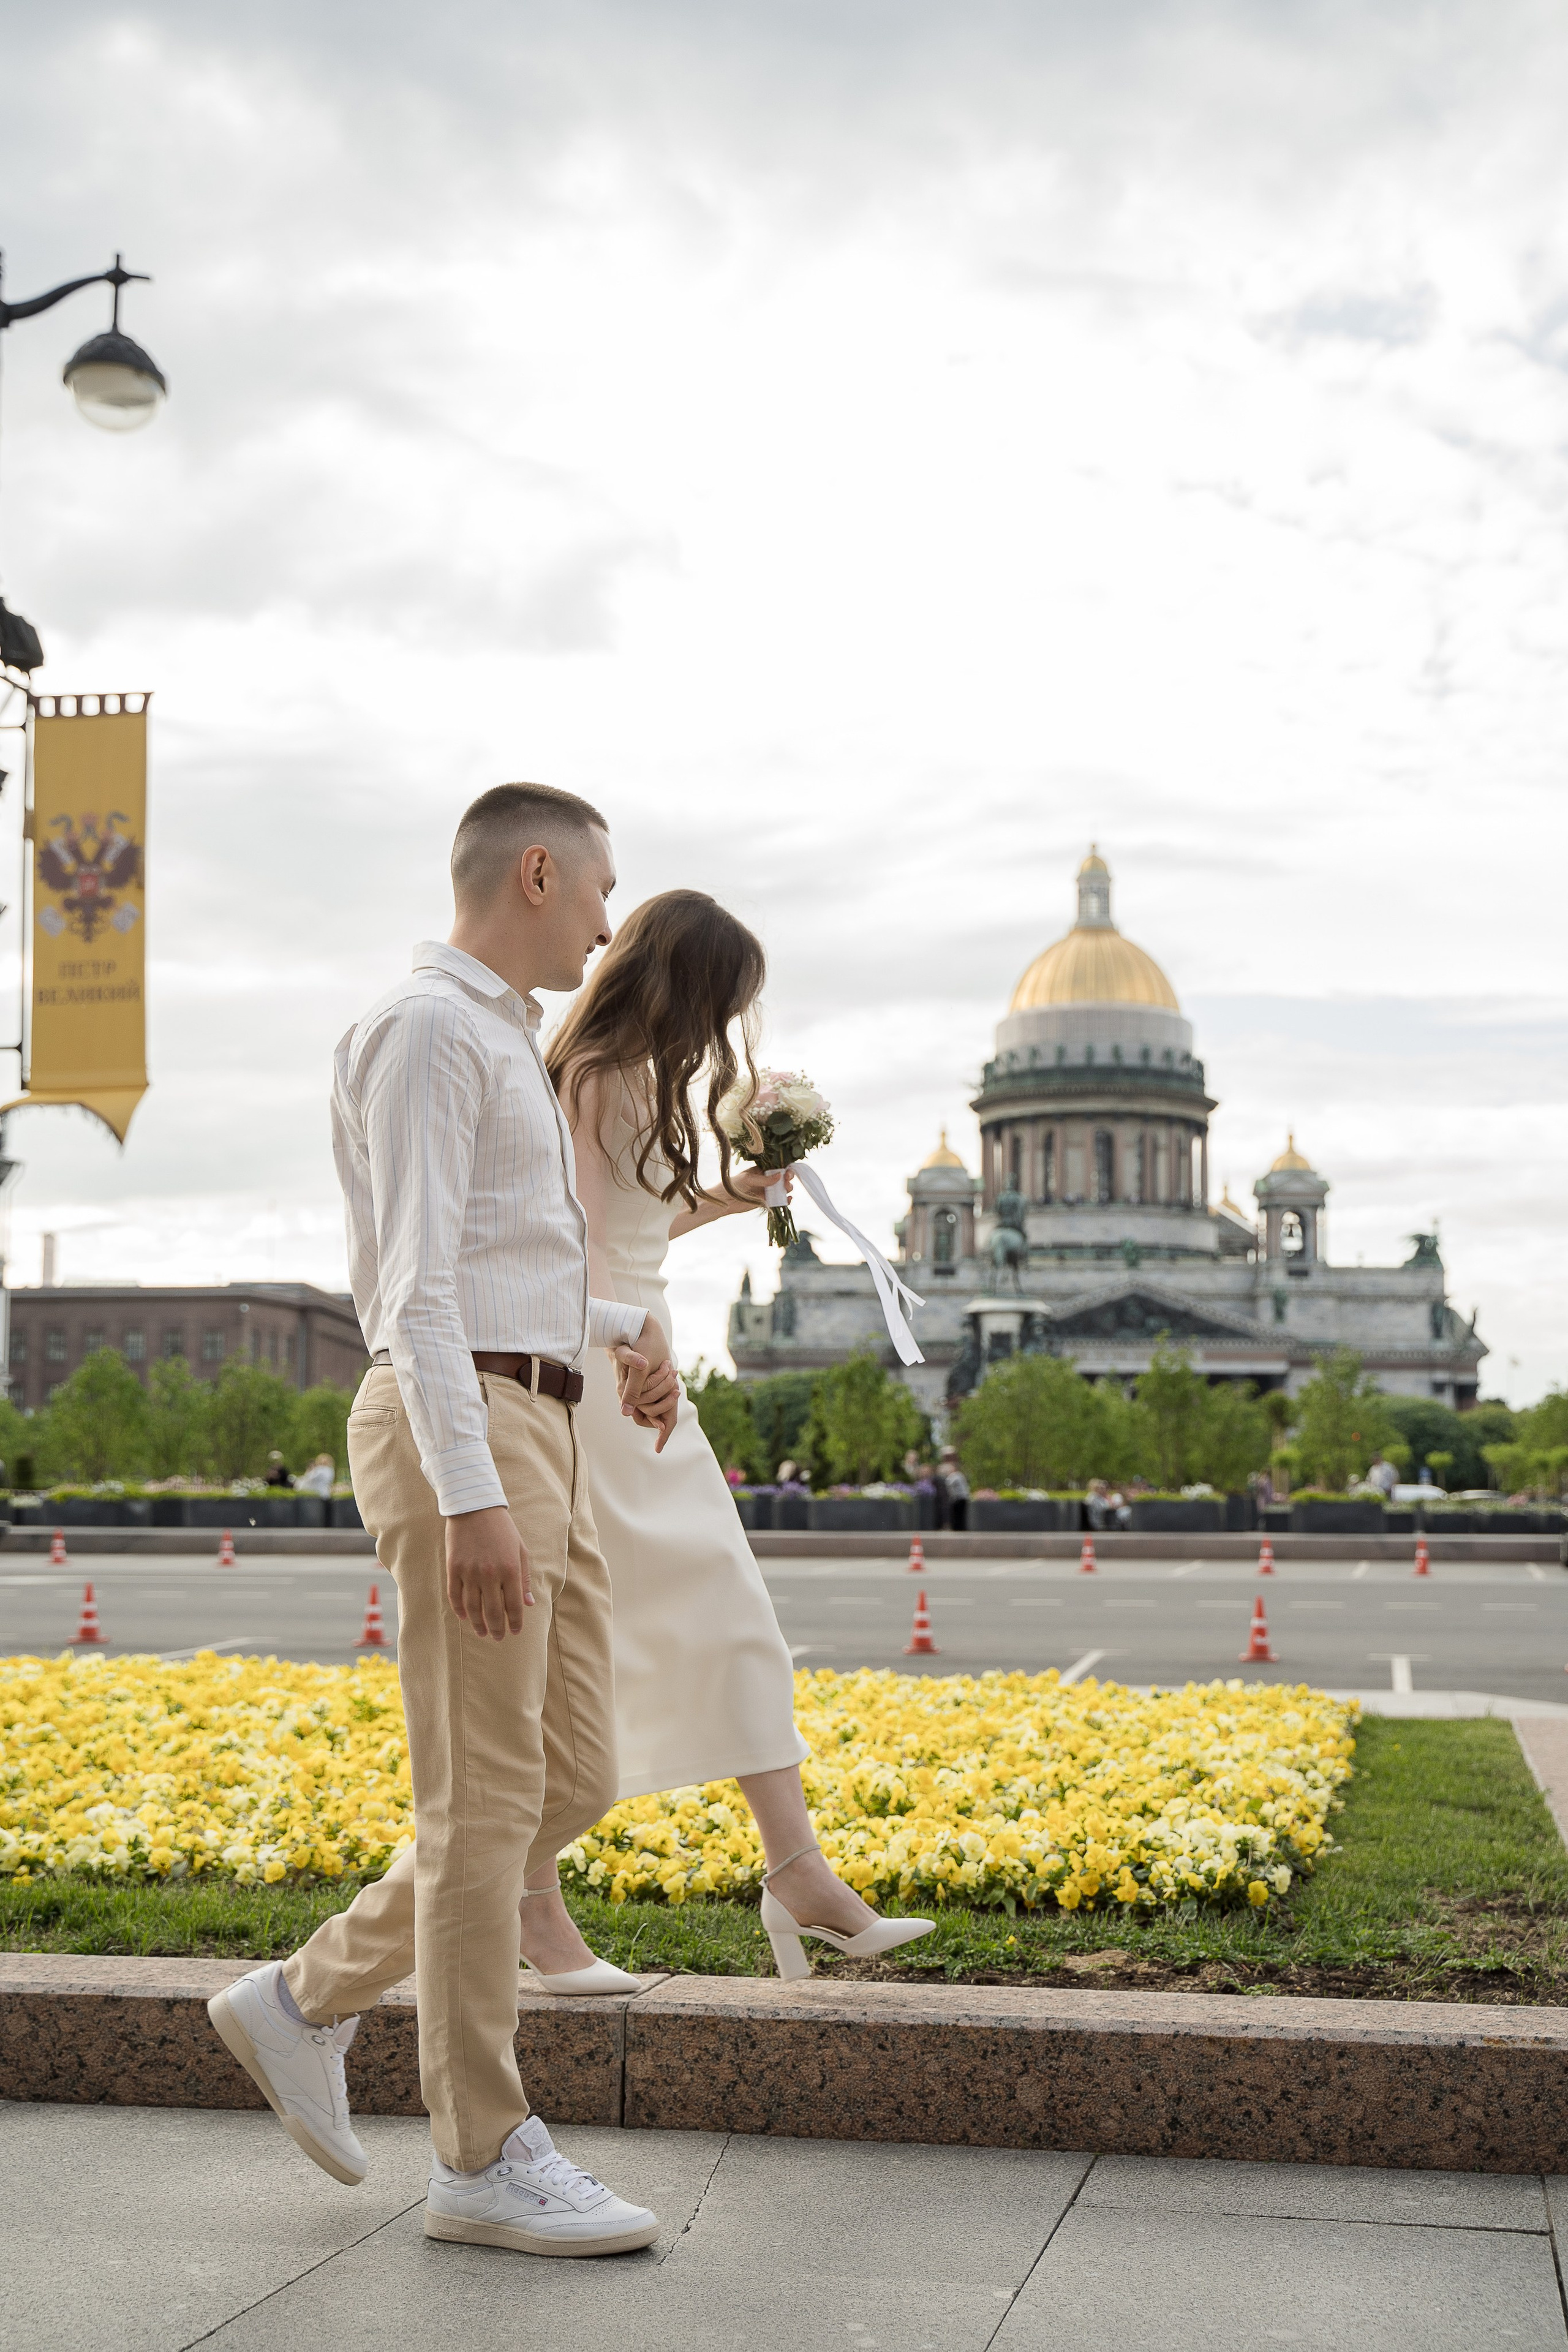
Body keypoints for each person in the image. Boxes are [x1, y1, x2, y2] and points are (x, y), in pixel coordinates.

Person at [206, 782, 681, 2260]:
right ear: (536, 872)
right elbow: (414, 1292)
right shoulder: (427, 1030)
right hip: (462, 1425)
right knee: (481, 1799)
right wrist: (470, 1495)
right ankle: (480, 2153)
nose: (608, 919)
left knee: (574, 1770)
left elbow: (496, 1267)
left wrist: (620, 1328)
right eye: (600, 886)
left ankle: (301, 1999)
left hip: (532, 1410)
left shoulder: (496, 1037)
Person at [533, 888, 935, 1985]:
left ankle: (796, 1870)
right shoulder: (595, 1072)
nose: (725, 1026)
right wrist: (628, 1344)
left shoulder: (628, 1074)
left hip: (636, 1360)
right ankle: (542, 1895)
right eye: (724, 999)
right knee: (596, 1643)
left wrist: (732, 1194)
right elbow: (577, 1240)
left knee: (720, 1617)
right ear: (688, 981)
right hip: (609, 1370)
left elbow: (638, 1223)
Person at [937, 1445, 970, 1531]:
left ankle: (959, 1528)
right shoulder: (942, 1468)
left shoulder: (957, 1474)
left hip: (959, 1498)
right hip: (949, 1497)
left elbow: (948, 1482)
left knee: (959, 1514)